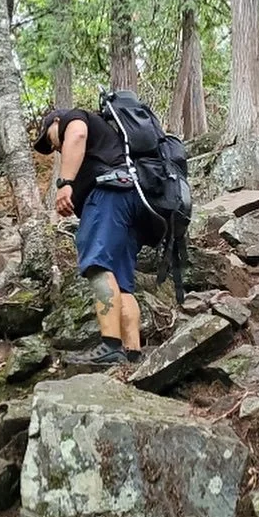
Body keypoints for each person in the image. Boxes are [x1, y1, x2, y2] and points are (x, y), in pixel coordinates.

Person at [33, 107, 150, 366]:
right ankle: (132, 352)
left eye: (51, 140)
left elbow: (76, 135)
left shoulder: (73, 117)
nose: (56, 149)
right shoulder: (110, 139)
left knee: (97, 264)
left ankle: (110, 346)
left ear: (55, 121)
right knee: (121, 281)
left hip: (109, 194)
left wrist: (65, 184)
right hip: (132, 198)